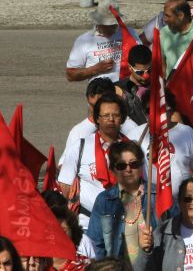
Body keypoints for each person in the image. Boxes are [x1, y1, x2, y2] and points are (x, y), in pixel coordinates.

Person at [58, 94, 132, 229]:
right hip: (87, 224)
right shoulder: (80, 146)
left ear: (122, 118)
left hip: (124, 223)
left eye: (115, 115)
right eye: (106, 115)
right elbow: (65, 187)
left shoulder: (131, 149)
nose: (111, 119)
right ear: (97, 118)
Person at [87, 142, 157, 262]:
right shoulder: (104, 200)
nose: (128, 169)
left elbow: (174, 237)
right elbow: (95, 244)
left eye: (134, 164)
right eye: (121, 166)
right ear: (113, 170)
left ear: (141, 166)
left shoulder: (158, 196)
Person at [60, 77, 139, 165]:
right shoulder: (78, 131)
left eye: (100, 106)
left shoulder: (132, 129)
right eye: (92, 105)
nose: (96, 111)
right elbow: (64, 165)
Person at [67, 0, 139, 83]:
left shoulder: (129, 33)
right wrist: (96, 69)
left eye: (113, 25)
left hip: (129, 89)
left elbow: (143, 60)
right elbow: (70, 75)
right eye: (106, 25)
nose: (110, 29)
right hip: (101, 92)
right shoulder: (84, 40)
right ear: (97, 22)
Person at [159, 0, 193, 74]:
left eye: (168, 16)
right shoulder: (164, 32)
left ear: (181, 15)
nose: (165, 19)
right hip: (171, 84)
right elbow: (161, 64)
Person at [114, 44, 151, 125]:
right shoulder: (118, 90)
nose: (145, 76)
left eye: (149, 70)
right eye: (140, 72)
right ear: (130, 68)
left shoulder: (160, 85)